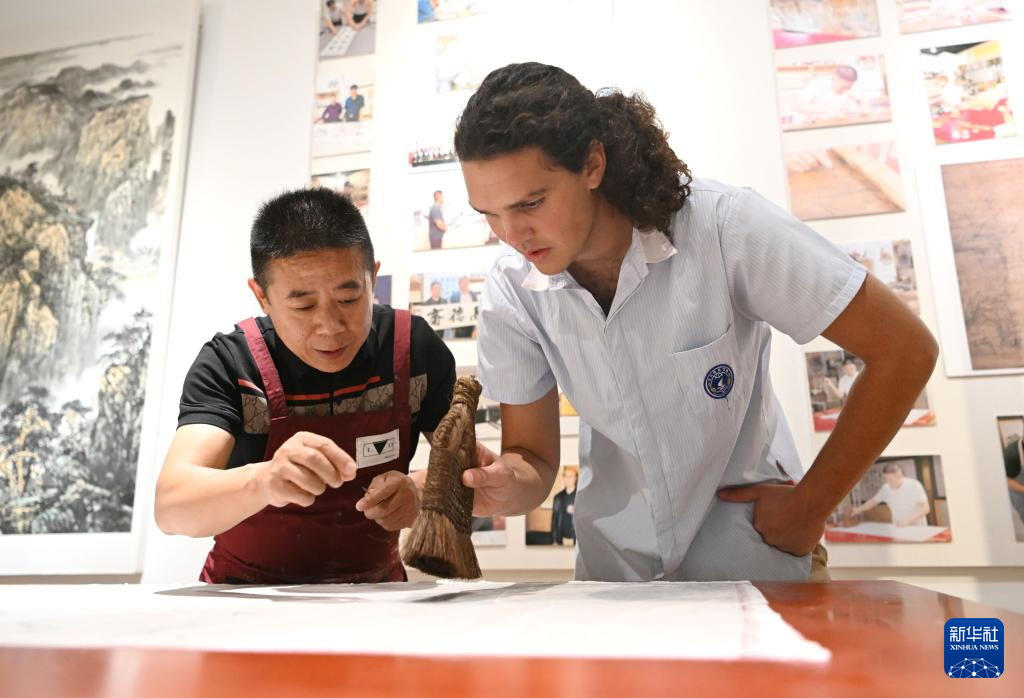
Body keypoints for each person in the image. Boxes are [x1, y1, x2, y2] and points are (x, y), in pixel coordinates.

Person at [455, 62, 937, 582]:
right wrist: (504, 482)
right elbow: (532, 460)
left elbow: (905, 350)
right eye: (489, 213)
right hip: (616, 580)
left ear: (593, 164)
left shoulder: (723, 226)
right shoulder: (512, 290)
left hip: (755, 565)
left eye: (531, 203)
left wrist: (810, 508)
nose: (512, 234)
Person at [154, 188, 456, 584]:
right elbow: (171, 506)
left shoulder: (412, 350)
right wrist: (263, 481)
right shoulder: (231, 364)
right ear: (261, 296)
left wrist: (420, 489)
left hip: (375, 594)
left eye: (349, 298)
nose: (330, 327)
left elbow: (467, 467)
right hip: (243, 596)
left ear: (373, 278)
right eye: (303, 306)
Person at [845, 463, 930, 527]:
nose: (888, 482)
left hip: (917, 527)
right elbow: (873, 501)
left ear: (899, 475)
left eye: (891, 479)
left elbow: (926, 508)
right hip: (898, 526)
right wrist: (858, 510)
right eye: (886, 479)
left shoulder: (914, 485)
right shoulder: (886, 488)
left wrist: (908, 520)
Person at [792, 64, 865, 126]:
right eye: (843, 87)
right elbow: (797, 106)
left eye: (849, 88)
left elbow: (860, 99)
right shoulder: (817, 84)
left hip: (832, 124)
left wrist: (863, 107)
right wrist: (826, 111)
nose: (845, 90)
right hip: (811, 126)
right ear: (835, 78)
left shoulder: (849, 85)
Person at [550, 467, 577, 545]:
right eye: (565, 476)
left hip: (577, 539)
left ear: (576, 478)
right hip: (561, 539)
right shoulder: (558, 497)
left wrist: (577, 511)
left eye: (570, 476)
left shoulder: (580, 496)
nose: (568, 478)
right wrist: (554, 540)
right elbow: (554, 519)